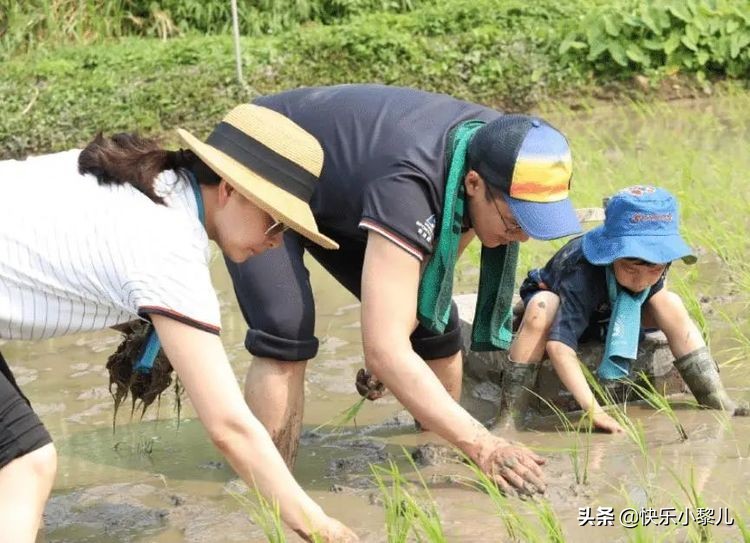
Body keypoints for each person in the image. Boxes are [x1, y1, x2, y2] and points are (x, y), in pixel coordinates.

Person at [0, 104, 357, 542]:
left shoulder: (151, 184)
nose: (277, 241)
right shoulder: (169, 248)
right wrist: (320, 527)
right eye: (275, 221)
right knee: (24, 465)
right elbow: (229, 427)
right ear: (228, 189)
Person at [224, 84, 583, 495]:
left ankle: (438, 466)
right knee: (285, 326)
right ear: (473, 184)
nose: (519, 239)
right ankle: (269, 491)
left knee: (435, 324)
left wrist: (392, 345)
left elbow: (434, 272)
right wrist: (484, 443)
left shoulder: (498, 146)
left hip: (346, 184)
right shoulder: (411, 184)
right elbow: (385, 347)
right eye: (514, 222)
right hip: (263, 158)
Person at [505, 185, 749, 433]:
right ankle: (509, 418)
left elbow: (652, 288)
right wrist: (594, 411)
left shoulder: (658, 263)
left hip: (611, 310)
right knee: (541, 308)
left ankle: (714, 397)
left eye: (654, 270)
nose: (641, 280)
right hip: (565, 305)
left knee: (670, 302)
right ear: (611, 256)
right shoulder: (582, 272)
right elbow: (558, 346)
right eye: (631, 269)